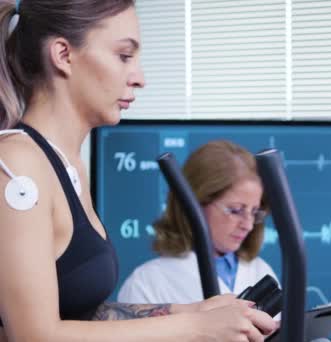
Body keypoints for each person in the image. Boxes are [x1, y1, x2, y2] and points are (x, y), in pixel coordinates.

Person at [0, 1, 276, 341]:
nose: (140, 79)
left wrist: (192, 311)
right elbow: (33, 336)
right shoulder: (17, 165)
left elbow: (80, 315)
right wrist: (194, 328)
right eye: (124, 56)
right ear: (63, 54)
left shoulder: (68, 167)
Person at [118, 140, 279, 304]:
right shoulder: (146, 284)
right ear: (194, 203)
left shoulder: (261, 272)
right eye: (236, 210)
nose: (248, 225)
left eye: (254, 212)